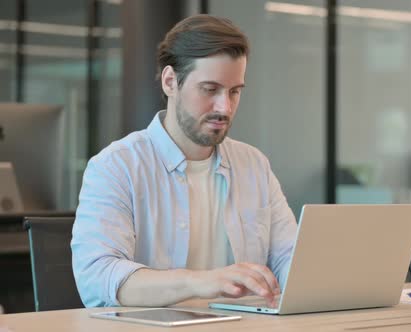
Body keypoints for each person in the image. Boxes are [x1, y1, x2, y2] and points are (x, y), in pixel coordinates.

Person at [71, 14, 297, 308]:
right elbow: (98, 277)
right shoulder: (117, 166)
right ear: (170, 82)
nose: (224, 107)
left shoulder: (253, 165)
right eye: (210, 89)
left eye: (234, 91)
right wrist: (201, 281)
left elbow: (289, 256)